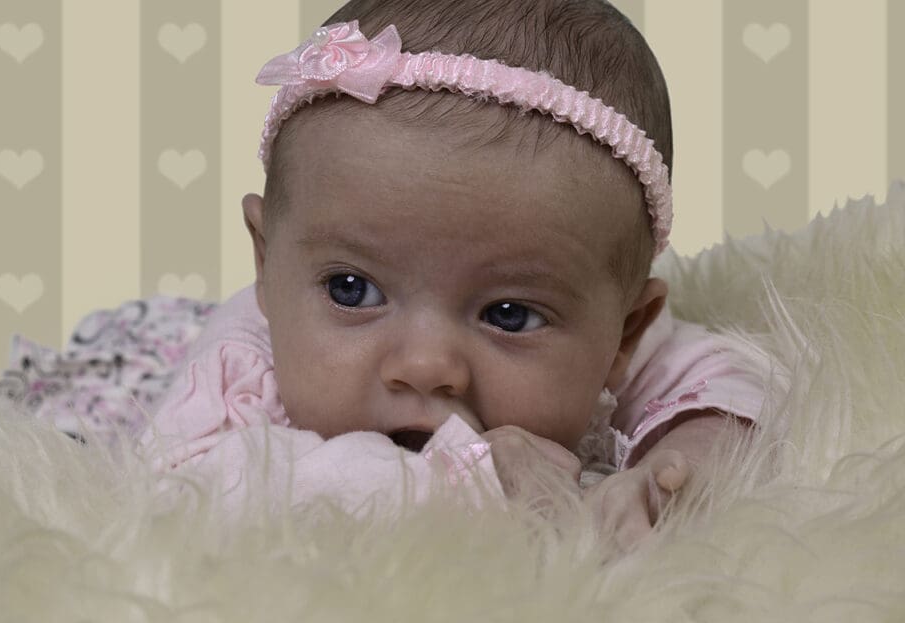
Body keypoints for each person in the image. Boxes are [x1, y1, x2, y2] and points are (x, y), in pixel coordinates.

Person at [140, 0, 767, 549]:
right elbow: (193, 494)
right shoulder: (236, 370)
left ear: (622, 336)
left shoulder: (602, 332)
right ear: (267, 264)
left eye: (509, 315)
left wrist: (671, 473)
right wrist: (464, 487)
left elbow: (737, 386)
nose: (426, 366)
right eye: (351, 290)